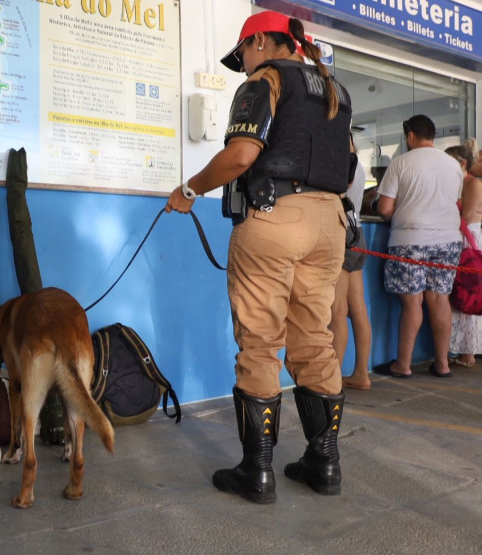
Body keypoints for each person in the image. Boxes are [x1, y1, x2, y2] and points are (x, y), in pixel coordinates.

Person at [165, 11, 353, 503]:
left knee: (260, 343)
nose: (243, 64)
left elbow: (241, 156)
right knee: (315, 339)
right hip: (329, 223)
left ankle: (257, 471)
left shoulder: (266, 80)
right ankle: (324, 463)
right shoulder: (335, 90)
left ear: (264, 41)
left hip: (274, 217)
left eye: (244, 52)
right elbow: (349, 164)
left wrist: (189, 188)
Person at [373, 115, 462, 379]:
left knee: (413, 303)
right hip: (448, 240)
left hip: (411, 240)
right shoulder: (454, 164)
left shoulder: (401, 163)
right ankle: (443, 364)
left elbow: (385, 210)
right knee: (439, 299)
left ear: (410, 135)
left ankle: (403, 365)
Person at [332, 134, 373, 390]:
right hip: (358, 233)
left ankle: (331, 379)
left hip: (340, 233)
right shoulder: (357, 165)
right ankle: (361, 375)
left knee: (337, 311)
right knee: (358, 309)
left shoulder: (338, 163)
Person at [445, 143, 482, 368]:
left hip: (469, 239)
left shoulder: (473, 184)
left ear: (462, 163)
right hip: (459, 236)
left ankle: (468, 351)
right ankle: (457, 347)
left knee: (468, 291)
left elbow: (467, 215)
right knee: (455, 293)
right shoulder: (457, 184)